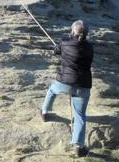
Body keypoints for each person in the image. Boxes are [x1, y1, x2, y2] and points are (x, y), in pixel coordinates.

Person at [40, 20, 94, 157]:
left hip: (65, 82)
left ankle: (45, 112)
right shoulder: (89, 48)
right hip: (83, 85)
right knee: (80, 116)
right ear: (86, 34)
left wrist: (59, 48)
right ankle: (79, 148)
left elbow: (57, 50)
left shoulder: (65, 42)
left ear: (72, 31)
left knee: (52, 91)